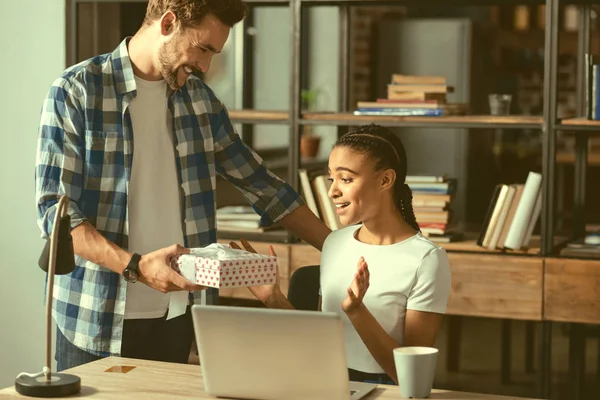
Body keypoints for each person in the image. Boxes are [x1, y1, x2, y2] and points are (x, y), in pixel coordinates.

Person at [35, 0, 330, 372]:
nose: (205, 66)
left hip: (177, 316)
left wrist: (339, 248)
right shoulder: (77, 91)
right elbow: (56, 213)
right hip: (94, 317)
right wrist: (137, 268)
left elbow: (261, 184)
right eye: (203, 48)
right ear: (169, 22)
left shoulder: (200, 101)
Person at [233, 123, 452, 385]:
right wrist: (273, 298)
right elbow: (318, 344)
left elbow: (410, 379)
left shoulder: (426, 260)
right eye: (331, 179)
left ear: (385, 180)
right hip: (326, 381)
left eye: (346, 179)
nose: (332, 191)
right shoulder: (335, 243)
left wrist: (357, 312)